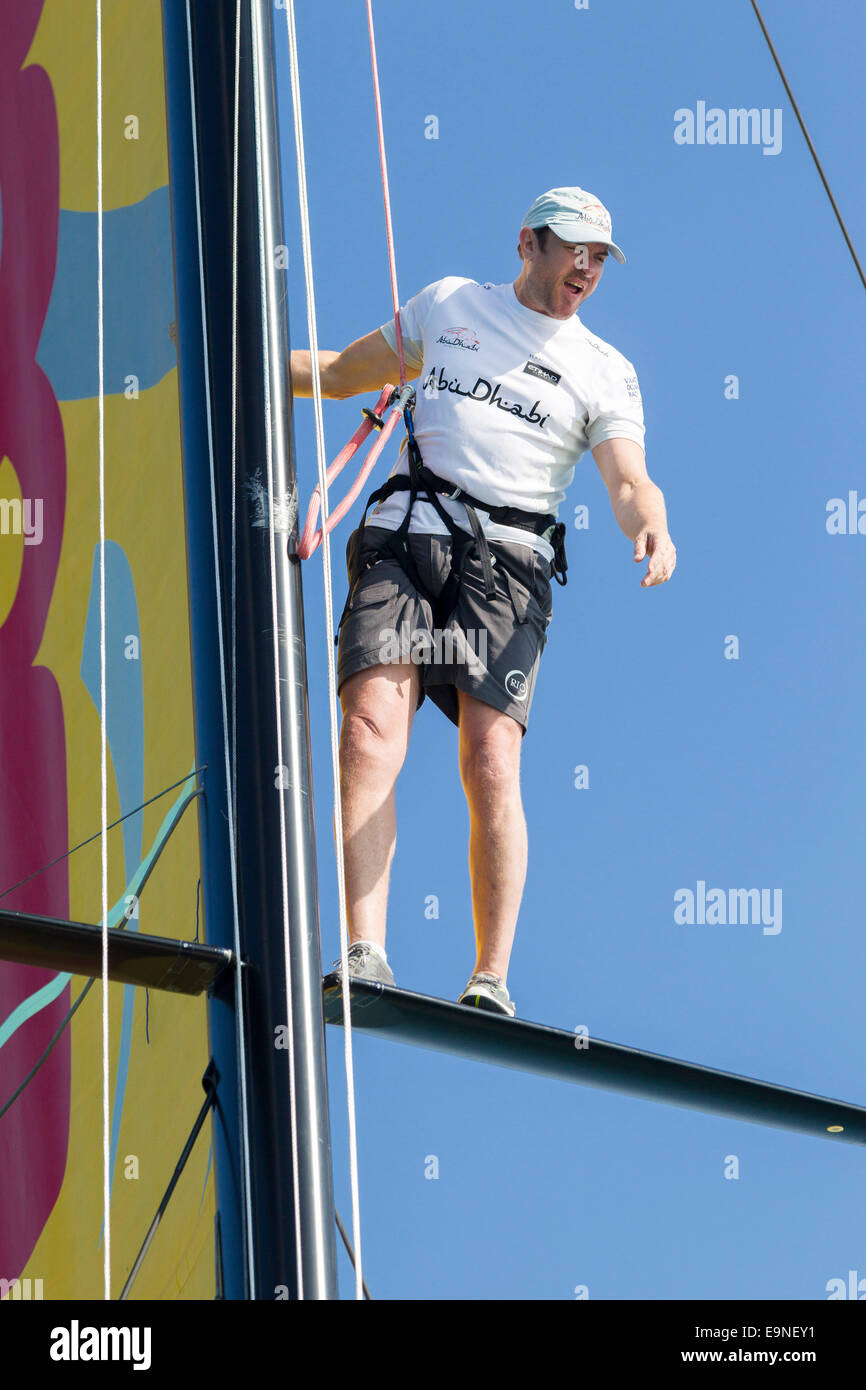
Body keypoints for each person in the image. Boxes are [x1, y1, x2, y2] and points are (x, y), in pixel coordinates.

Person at [290, 187, 677, 1017]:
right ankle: (365, 949)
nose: (586, 268)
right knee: (364, 732)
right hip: (406, 529)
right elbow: (331, 374)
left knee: (490, 758)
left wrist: (652, 526)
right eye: (574, 248)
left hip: (505, 566)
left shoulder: (605, 369)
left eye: (601, 257)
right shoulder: (451, 305)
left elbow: (628, 478)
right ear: (528, 243)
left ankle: (490, 977)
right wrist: (231, 356)